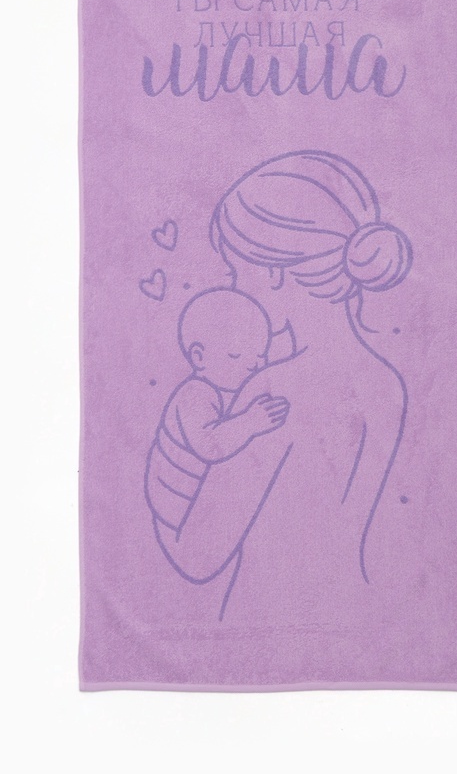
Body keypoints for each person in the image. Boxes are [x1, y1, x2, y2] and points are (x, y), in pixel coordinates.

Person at [145, 150, 413, 625]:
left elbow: (196, 556)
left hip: (264, 619)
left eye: (236, 273)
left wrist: (171, 474)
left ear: (272, 272)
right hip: (355, 610)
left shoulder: (273, 391)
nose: (234, 290)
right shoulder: (386, 383)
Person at [145, 288, 290, 534]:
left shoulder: (224, 389)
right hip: (177, 500)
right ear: (199, 358)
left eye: (260, 356)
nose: (252, 365)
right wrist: (250, 423)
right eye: (236, 355)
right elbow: (208, 445)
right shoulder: (195, 393)